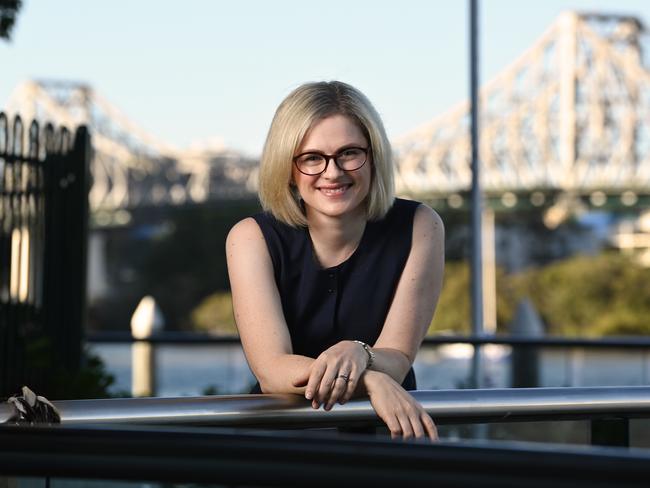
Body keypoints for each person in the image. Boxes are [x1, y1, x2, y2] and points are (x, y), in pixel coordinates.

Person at [226, 81, 444, 440]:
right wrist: (369, 375)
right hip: (285, 442)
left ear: (373, 157)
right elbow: (272, 370)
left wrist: (357, 353)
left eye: (349, 153)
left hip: (386, 436)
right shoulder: (250, 238)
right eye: (312, 158)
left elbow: (399, 356)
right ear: (288, 168)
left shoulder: (420, 226)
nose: (332, 172)